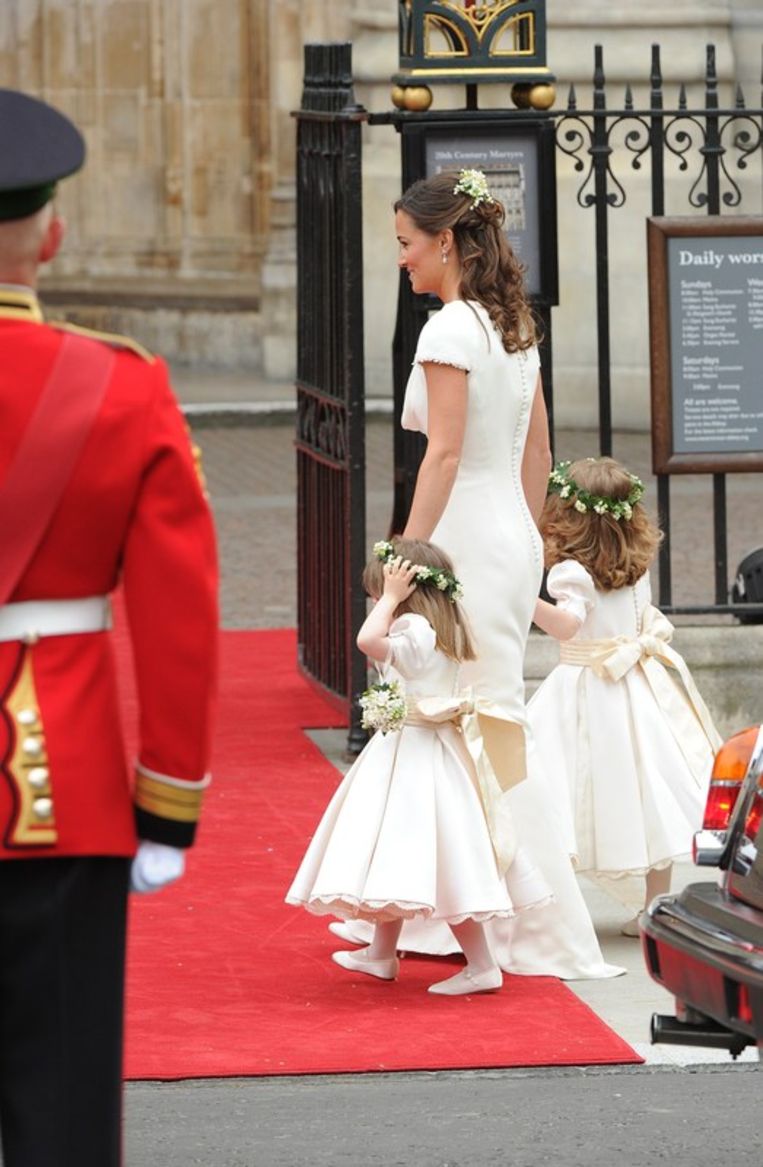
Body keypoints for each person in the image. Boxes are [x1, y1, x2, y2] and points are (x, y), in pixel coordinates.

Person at [0, 89, 218, 1166]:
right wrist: (169, 805)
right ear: (52, 233)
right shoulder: (125, 388)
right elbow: (180, 613)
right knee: (65, 1109)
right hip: (66, 788)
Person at [334, 168, 621, 978]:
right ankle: (447, 920)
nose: (401, 260)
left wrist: (404, 554)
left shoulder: (449, 331)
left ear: (446, 242)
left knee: (462, 723)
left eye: (405, 244)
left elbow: (446, 453)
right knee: (482, 723)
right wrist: (528, 542)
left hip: (461, 535)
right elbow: (536, 453)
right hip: (506, 538)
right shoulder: (514, 326)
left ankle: (512, 928)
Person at [287, 538, 551, 995]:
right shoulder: (441, 624)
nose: (375, 600)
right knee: (396, 850)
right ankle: (380, 953)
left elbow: (366, 640)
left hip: (414, 754)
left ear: (405, 590)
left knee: (440, 858)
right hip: (416, 749)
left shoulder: (413, 627)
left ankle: (482, 965)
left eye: (379, 591)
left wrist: (389, 599)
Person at [528, 456, 722, 935]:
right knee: (648, 792)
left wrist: (520, 598)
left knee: (556, 790)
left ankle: (552, 907)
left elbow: (569, 625)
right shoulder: (637, 567)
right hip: (637, 687)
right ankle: (655, 906)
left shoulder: (570, 573)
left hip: (585, 688)